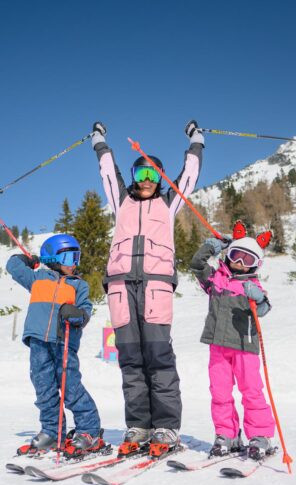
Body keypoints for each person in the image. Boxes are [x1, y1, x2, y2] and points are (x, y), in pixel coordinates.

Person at [91, 120, 204, 457]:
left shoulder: (168, 205)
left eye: (153, 177)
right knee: (130, 361)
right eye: (140, 175)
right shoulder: (120, 203)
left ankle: (166, 427)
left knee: (159, 359)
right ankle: (139, 426)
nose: (145, 182)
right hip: (121, 290)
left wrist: (196, 140)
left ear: (160, 181)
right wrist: (100, 141)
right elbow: (108, 172)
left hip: (155, 290)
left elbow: (189, 173)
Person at [5, 234, 104, 458]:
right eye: (69, 257)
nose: (74, 263)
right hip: (39, 342)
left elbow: (86, 311)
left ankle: (88, 431)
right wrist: (30, 260)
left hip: (64, 342)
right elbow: (12, 266)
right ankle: (52, 432)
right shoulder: (37, 278)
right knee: (44, 389)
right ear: (53, 258)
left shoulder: (79, 285)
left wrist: (77, 314)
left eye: (76, 257)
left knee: (71, 388)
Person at [190, 221, 276, 460]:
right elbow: (196, 265)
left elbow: (264, 310)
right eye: (237, 256)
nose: (240, 263)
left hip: (243, 347)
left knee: (251, 391)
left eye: (247, 260)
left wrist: (258, 299)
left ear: (255, 264)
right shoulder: (216, 281)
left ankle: (260, 435)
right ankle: (227, 434)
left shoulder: (252, 285)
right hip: (218, 347)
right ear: (229, 255)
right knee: (220, 393)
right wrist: (211, 246)